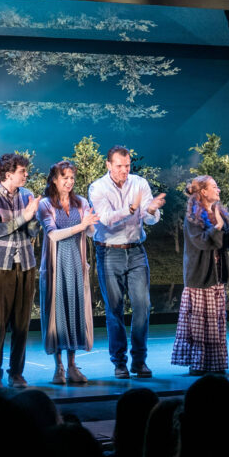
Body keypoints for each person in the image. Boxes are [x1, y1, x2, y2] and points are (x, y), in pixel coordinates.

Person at [89, 144, 166, 379]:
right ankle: (119, 362)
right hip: (109, 252)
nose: (124, 170)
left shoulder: (139, 183)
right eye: (120, 166)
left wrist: (151, 210)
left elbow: (149, 217)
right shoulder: (98, 187)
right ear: (109, 165)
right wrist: (131, 207)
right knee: (114, 309)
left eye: (127, 165)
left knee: (142, 306)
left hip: (135, 251)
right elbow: (106, 219)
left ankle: (139, 360)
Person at [173, 175, 229, 374]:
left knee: (215, 322)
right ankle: (198, 364)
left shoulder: (218, 212)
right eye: (215, 186)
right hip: (200, 278)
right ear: (204, 192)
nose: (219, 190)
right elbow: (203, 242)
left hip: (216, 277)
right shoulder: (193, 218)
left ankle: (215, 363)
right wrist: (218, 226)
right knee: (199, 323)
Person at [0, 153, 41, 389]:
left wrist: (32, 217)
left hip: (25, 262)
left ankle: (16, 372)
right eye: (22, 171)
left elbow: (33, 231)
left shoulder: (26, 195)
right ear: (8, 174)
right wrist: (23, 217)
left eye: (26, 171)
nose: (26, 175)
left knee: (22, 321)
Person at [37, 161, 99, 385]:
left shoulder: (81, 202)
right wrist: (81, 226)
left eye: (72, 177)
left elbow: (90, 232)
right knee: (57, 314)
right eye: (65, 177)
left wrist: (91, 222)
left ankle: (72, 365)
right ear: (54, 179)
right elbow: (53, 235)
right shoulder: (45, 204)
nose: (69, 182)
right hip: (56, 266)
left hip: (75, 263)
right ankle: (58, 367)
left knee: (75, 312)